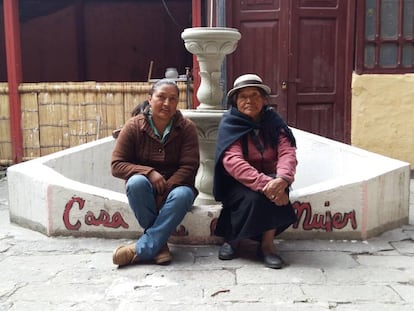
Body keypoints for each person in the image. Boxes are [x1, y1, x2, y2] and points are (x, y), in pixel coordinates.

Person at [111, 78, 200, 267]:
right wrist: (149, 173)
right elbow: (117, 165)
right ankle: (159, 245)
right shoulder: (134, 126)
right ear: (150, 99)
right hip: (145, 187)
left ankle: (141, 249)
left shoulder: (187, 128)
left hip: (177, 186)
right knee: (136, 183)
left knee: (183, 194)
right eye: (161, 97)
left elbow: (189, 167)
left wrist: (165, 189)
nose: (167, 103)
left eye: (173, 99)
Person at [213, 74, 297, 269]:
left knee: (272, 193)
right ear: (235, 101)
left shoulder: (274, 121)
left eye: (255, 95)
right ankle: (233, 240)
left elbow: (287, 151)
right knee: (255, 198)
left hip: (272, 179)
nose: (249, 100)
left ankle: (267, 246)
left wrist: (283, 179)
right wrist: (265, 185)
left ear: (264, 99)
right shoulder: (230, 122)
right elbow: (232, 161)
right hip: (237, 182)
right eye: (243, 96)